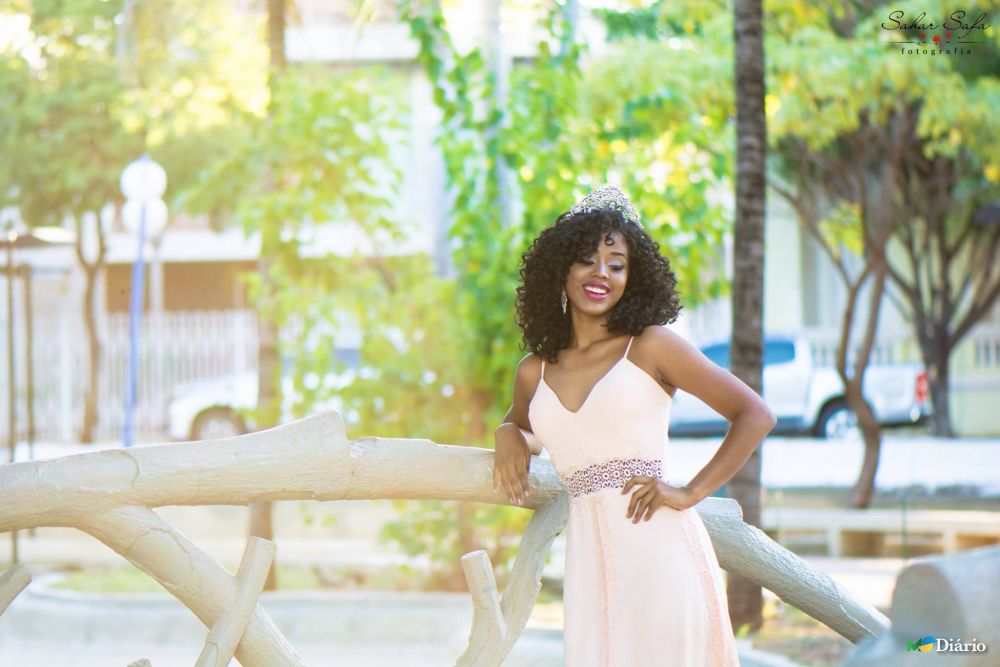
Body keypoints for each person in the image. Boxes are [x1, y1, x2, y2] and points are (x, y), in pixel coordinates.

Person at [493, 185, 776, 666]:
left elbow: (754, 414)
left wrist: (690, 493)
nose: (601, 273)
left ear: (632, 277)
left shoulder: (650, 347)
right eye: (586, 259)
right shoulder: (533, 370)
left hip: (661, 555)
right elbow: (522, 426)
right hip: (587, 569)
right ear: (560, 270)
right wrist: (505, 433)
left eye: (617, 264)